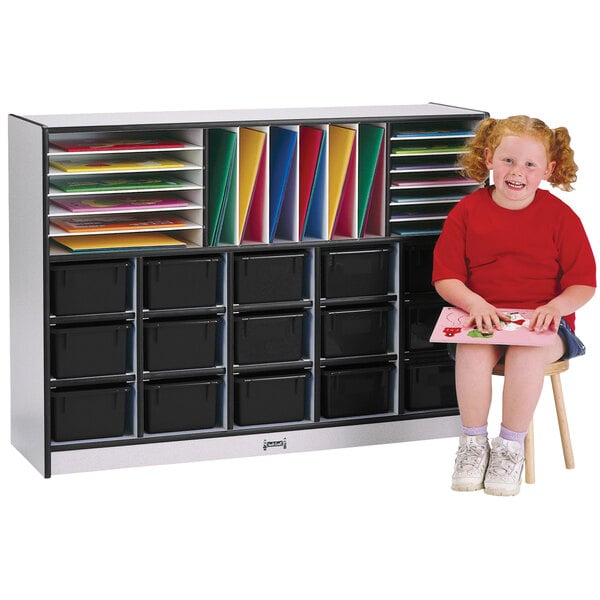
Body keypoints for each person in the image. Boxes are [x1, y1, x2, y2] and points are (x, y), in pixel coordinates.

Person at [432, 115, 596, 496]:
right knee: (470, 352)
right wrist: (473, 301)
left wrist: (556, 307)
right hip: (486, 318)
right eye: (508, 160)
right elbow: (446, 277)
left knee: (526, 352)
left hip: (545, 327)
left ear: (548, 170)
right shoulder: (467, 212)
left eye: (529, 164)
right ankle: (473, 445)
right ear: (489, 158)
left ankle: (509, 447)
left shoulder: (560, 217)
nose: (516, 172)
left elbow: (583, 283)